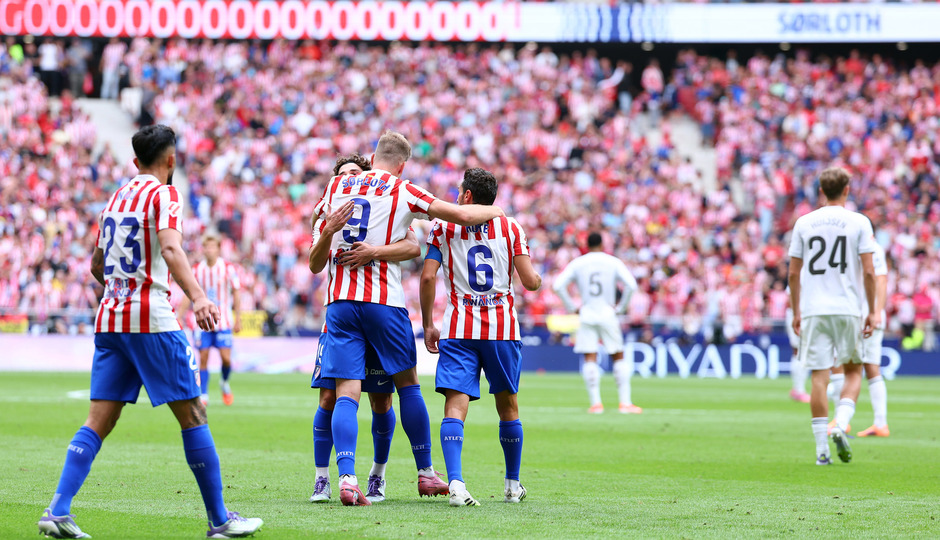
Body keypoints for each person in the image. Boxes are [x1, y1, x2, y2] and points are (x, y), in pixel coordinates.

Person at [37, 125, 262, 538]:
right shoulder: (164, 194)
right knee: (193, 413)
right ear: (171, 159)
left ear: (134, 161)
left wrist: (121, 290)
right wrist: (198, 297)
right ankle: (219, 520)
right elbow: (173, 248)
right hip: (151, 320)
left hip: (110, 319)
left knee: (98, 420)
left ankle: (57, 509)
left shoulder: (116, 197)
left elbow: (95, 266)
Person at [308, 131, 505, 506]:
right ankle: (426, 473)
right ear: (402, 165)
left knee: (347, 391)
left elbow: (317, 249)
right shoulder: (402, 188)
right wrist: (496, 210)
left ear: (371, 155)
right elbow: (461, 215)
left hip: (340, 304)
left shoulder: (336, 185)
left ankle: (346, 478)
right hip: (384, 303)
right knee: (408, 386)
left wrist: (335, 231)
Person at [420, 168, 542, 507]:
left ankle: (456, 484)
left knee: (455, 407)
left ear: (468, 196)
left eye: (460, 191)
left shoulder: (443, 227)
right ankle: (512, 485)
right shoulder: (511, 227)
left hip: (459, 329)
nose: (457, 196)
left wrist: (430, 323)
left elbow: (428, 277)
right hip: (502, 331)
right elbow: (530, 281)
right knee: (508, 407)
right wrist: (538, 281)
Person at [308, 154, 421, 504]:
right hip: (341, 316)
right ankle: (323, 478)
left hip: (379, 311)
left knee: (381, 399)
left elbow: (414, 246)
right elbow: (314, 264)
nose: (353, 179)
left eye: (358, 173)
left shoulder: (386, 209)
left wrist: (375, 251)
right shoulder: (326, 215)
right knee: (329, 397)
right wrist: (327, 229)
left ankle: (377, 475)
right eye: (345, 175)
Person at [788, 167, 878, 466]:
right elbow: (868, 270)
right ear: (847, 190)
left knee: (819, 376)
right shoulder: (859, 222)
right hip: (847, 307)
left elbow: (793, 272)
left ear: (820, 192)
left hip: (814, 308)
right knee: (853, 370)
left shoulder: (804, 222)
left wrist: (797, 310)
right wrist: (873, 309)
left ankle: (820, 452)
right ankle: (840, 423)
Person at [552, 232, 639, 414]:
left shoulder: (579, 263)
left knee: (589, 356)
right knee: (617, 355)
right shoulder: (612, 261)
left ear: (587, 244)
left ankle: (596, 404)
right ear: (602, 244)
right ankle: (625, 403)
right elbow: (631, 285)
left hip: (587, 313)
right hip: (607, 313)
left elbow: (558, 285)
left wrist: (572, 307)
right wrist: (620, 308)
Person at [828, 222, 890, 438]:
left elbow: (880, 280)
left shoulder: (872, 248)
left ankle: (844, 420)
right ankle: (875, 423)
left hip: (863, 315)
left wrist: (877, 311)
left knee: (851, 366)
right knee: (860, 366)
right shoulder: (856, 247)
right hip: (854, 314)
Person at [178, 233, 242, 406]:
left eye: (213, 246)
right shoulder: (198, 269)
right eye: (206, 247)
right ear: (203, 249)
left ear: (219, 249)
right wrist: (179, 315)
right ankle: (204, 394)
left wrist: (238, 317)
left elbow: (236, 292)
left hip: (224, 321)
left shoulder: (228, 268)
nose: (209, 250)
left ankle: (224, 382)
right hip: (203, 321)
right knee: (203, 357)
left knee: (226, 358)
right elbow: (188, 294)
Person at [785, 291, 811, 403]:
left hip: (798, 314)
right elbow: (789, 299)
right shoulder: (800, 275)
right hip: (799, 315)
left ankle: (798, 389)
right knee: (801, 352)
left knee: (799, 352)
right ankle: (799, 390)